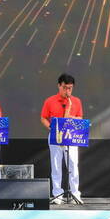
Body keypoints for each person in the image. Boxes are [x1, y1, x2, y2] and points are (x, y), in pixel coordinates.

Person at [40, 73, 83, 205]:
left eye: (70, 88)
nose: (67, 91)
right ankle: (57, 194)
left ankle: (75, 194)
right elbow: (43, 118)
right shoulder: (50, 100)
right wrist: (51, 128)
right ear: (59, 86)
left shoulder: (76, 101)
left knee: (73, 165)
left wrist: (72, 118)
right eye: (64, 88)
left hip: (71, 137)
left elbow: (80, 117)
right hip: (55, 136)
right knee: (56, 166)